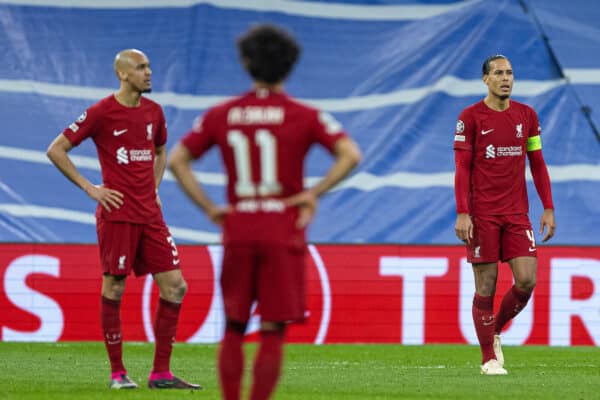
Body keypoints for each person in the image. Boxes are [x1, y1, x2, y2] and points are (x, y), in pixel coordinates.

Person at [168, 24, 361, 400]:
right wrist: (312, 192)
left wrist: (210, 208)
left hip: (239, 226)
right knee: (272, 329)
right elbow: (351, 154)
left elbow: (177, 161)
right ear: (290, 66)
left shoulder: (222, 114)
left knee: (235, 327)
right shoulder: (304, 115)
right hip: (281, 227)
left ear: (246, 63)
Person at [46, 49, 201, 390]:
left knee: (176, 286)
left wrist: (154, 186)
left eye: (149, 66)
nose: (149, 73)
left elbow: (160, 151)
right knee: (115, 287)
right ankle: (118, 374)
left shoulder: (154, 113)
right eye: (141, 67)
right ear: (123, 74)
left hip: (150, 214)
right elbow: (56, 149)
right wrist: (91, 189)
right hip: (117, 215)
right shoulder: (102, 112)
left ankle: (161, 374)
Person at [453, 55, 556, 375]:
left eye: (510, 72)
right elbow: (461, 168)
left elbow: (537, 162)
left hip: (516, 214)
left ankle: (495, 330)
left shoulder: (527, 116)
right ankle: (488, 359)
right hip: (482, 214)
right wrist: (463, 213)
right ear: (485, 79)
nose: (505, 78)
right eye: (498, 73)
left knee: (527, 281)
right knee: (486, 285)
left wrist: (548, 207)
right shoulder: (470, 117)